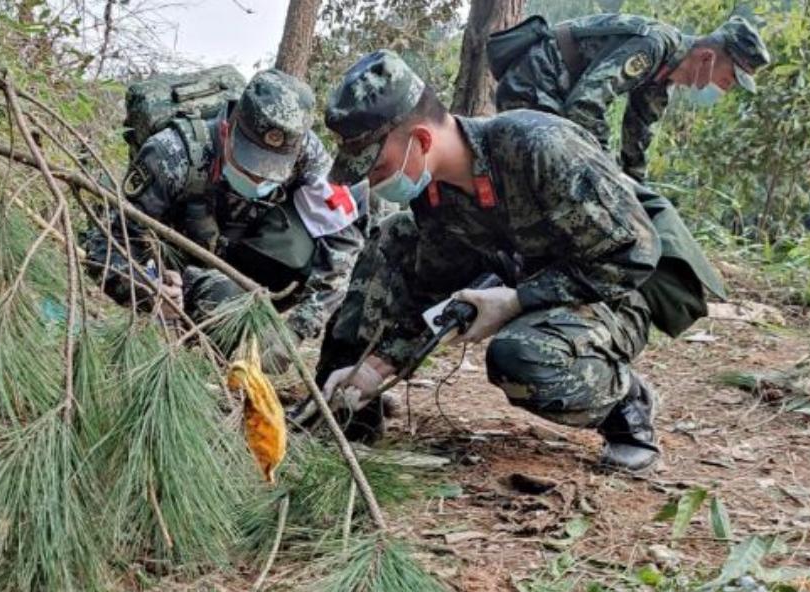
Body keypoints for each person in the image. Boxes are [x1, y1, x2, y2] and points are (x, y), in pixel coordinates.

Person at [315, 50, 727, 472]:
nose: (373, 180)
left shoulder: (539, 146)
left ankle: (626, 405)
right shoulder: (433, 196)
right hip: (525, 275)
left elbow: (634, 255)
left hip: (617, 289)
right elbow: (431, 291)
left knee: (521, 357)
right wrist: (376, 367)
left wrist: (516, 301)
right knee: (395, 234)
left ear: (421, 141)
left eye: (377, 166)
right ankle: (343, 404)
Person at [82, 69, 364, 364]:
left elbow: (343, 243)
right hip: (182, 268)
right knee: (223, 302)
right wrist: (149, 290)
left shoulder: (308, 155)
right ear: (227, 131)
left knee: (337, 259)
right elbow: (106, 247)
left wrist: (296, 330)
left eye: (272, 172)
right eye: (249, 165)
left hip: (251, 256)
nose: (258, 179)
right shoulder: (171, 155)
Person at [487, 14, 770, 181]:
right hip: (534, 84)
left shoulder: (662, 79)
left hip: (556, 97)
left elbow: (637, 139)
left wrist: (637, 192)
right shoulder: (654, 45)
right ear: (707, 57)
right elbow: (585, 106)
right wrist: (608, 173)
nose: (725, 88)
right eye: (728, 78)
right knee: (548, 179)